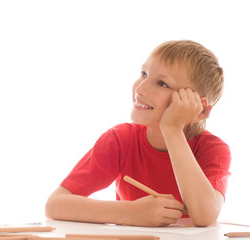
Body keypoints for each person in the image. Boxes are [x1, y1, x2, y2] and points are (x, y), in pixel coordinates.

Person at [45, 40, 231, 227]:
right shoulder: (120, 140)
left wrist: (172, 129)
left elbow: (205, 216)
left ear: (200, 110)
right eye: (144, 74)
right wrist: (128, 212)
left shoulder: (212, 149)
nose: (140, 89)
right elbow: (55, 206)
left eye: (162, 83)